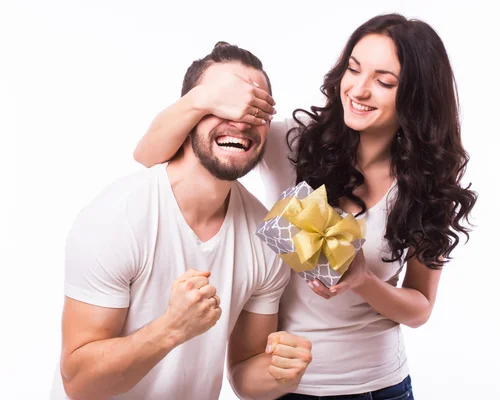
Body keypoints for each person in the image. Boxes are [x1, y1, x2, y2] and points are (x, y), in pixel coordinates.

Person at [134, 13, 477, 400]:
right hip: (284, 383)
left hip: (383, 386)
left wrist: (364, 282)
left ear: (416, 97)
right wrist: (202, 98)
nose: (358, 90)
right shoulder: (295, 144)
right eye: (353, 69)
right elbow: (149, 157)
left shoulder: (428, 187)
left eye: (383, 82)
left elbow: (420, 308)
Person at [50, 42, 313, 400]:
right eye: (224, 104)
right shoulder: (118, 218)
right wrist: (171, 328)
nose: (241, 120)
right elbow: (79, 384)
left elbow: (243, 373)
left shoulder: (266, 238)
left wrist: (281, 373)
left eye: (256, 111)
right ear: (190, 113)